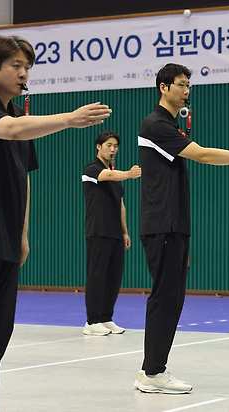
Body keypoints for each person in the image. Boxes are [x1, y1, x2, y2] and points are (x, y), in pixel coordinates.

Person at [0, 35, 111, 411]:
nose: (24, 74)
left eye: (27, 67)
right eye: (16, 66)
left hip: (4, 240)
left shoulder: (20, 117)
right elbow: (11, 131)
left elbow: (25, 177)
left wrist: (22, 234)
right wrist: (69, 119)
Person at [134, 63, 229, 394]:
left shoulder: (169, 125)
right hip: (162, 224)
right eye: (181, 85)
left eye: (189, 85)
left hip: (174, 225)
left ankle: (154, 369)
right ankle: (151, 372)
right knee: (165, 297)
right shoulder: (156, 125)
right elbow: (202, 156)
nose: (187, 90)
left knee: (172, 297)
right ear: (164, 87)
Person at [81, 131, 141, 336]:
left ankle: (106, 318)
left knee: (113, 277)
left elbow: (121, 205)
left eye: (115, 145)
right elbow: (106, 175)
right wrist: (128, 174)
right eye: (109, 145)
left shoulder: (115, 177)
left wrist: (125, 231)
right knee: (97, 276)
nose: (113, 149)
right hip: (98, 231)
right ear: (99, 147)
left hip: (115, 233)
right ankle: (91, 321)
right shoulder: (92, 169)